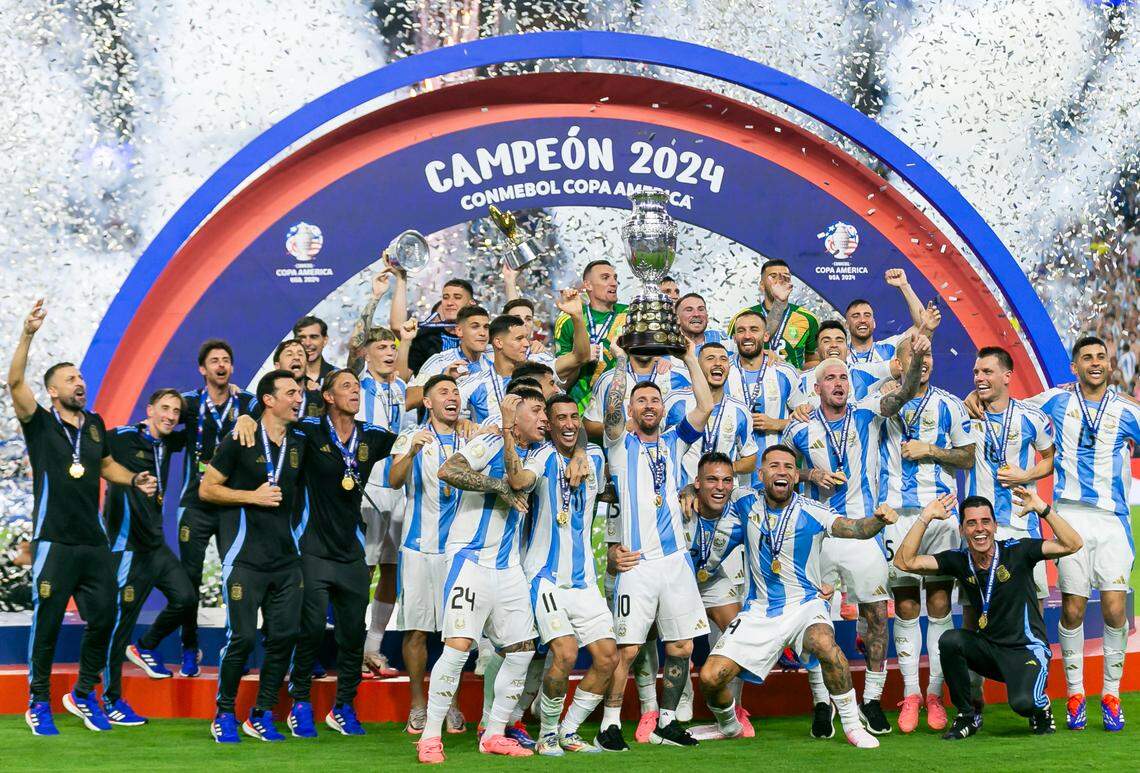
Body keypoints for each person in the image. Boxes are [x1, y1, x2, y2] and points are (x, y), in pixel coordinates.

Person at [10, 300, 158, 736]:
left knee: (107, 617)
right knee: (49, 621)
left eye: (81, 377)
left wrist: (134, 480)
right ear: (53, 391)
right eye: (71, 379)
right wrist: (28, 334)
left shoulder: (94, 424)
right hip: (54, 540)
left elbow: (105, 466)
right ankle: (38, 701)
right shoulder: (38, 423)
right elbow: (15, 380)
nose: (81, 382)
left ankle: (83, 692)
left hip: (93, 542)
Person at [697, 444, 892, 749]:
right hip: (758, 612)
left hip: (804, 606)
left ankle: (852, 726)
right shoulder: (744, 502)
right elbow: (711, 502)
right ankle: (729, 725)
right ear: (761, 474)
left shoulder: (813, 510)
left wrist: (879, 520)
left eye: (789, 466)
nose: (782, 471)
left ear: (796, 476)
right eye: (773, 465)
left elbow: (854, 528)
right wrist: (686, 492)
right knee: (710, 678)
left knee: (826, 645)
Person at [781, 343, 927, 736]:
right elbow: (781, 472)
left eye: (843, 376)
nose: (838, 383)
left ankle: (873, 700)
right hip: (821, 536)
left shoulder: (866, 413)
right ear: (816, 388)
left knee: (877, 615)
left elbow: (903, 393)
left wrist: (912, 366)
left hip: (865, 533)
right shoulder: (798, 427)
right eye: (829, 377)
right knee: (817, 622)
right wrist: (811, 476)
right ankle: (822, 704)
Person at [417, 388, 549, 763]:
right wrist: (495, 486)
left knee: (522, 650)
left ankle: (493, 733)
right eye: (536, 410)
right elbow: (449, 470)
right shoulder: (488, 441)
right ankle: (429, 738)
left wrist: (508, 435)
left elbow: (518, 480)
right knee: (458, 648)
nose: (544, 418)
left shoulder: (540, 454)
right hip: (470, 561)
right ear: (514, 412)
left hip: (508, 567)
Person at [598, 338, 713, 750]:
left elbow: (704, 406)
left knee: (681, 646)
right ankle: (610, 723)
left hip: (676, 562)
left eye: (655, 400)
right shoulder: (618, 445)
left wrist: (688, 357)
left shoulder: (674, 442)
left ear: (663, 409)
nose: (649, 406)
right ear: (631, 410)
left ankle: (666, 722)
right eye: (641, 401)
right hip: (638, 564)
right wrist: (618, 365)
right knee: (626, 651)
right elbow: (610, 415)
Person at [892, 491, 1083, 739]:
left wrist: (1042, 508)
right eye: (971, 523)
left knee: (1024, 704)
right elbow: (904, 561)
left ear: (994, 525)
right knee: (950, 640)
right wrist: (926, 516)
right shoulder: (960, 560)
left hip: (1025, 650)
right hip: (990, 651)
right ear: (962, 529)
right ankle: (967, 716)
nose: (979, 529)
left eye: (985, 522)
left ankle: (1040, 708)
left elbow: (1073, 543)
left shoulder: (1019, 550)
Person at [1021, 336, 1140, 731]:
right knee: (1072, 608)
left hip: (1112, 520)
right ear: (1074, 366)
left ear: (1110, 365)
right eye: (1086, 357)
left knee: (1115, 608)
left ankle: (1110, 693)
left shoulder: (1127, 410)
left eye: (1101, 357)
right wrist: (975, 400)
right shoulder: (1056, 400)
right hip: (1069, 516)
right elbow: (1014, 410)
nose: (1095, 362)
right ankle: (1075, 694)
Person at [502, 393, 615, 755]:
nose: (568, 423)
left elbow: (591, 443)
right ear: (548, 425)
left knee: (607, 657)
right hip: (545, 577)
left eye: (573, 417)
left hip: (584, 581)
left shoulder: (594, 456)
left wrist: (581, 450)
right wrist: (507, 428)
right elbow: (518, 481)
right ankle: (547, 732)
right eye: (560, 418)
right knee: (565, 654)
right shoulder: (542, 456)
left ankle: (569, 730)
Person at [286, 369, 396, 737]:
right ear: (329, 397)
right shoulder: (307, 431)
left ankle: (344, 706)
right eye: (346, 387)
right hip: (313, 548)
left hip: (351, 550)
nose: (355, 392)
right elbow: (273, 424)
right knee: (312, 628)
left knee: (353, 632)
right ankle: (299, 702)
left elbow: (408, 439)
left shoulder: (370, 435)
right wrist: (245, 418)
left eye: (356, 387)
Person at [200, 369, 306, 743]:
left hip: (286, 560)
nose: (298, 398)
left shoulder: (299, 441)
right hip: (244, 559)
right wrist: (251, 496)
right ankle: (224, 712)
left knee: (284, 637)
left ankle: (260, 714)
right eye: (291, 392)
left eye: (300, 392)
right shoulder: (239, 438)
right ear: (268, 399)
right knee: (242, 638)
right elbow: (207, 489)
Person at [881, 334, 976, 733]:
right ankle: (911, 694)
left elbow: (968, 455)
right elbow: (888, 402)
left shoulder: (950, 405)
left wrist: (931, 451)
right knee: (905, 607)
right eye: (915, 355)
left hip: (939, 516)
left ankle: (934, 694)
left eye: (929, 354)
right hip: (898, 516)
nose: (925, 360)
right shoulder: (883, 403)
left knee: (938, 603)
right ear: (898, 365)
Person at [147, 340, 258, 679]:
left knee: (233, 577)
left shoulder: (247, 402)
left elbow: (267, 414)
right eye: (214, 361)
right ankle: (189, 647)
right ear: (202, 369)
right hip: (194, 503)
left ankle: (231, 647)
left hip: (228, 502)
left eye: (226, 360)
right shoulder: (190, 403)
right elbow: (163, 417)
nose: (221, 365)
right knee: (190, 581)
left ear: (232, 368)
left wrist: (247, 415)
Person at [101, 389, 196, 727]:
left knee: (186, 598)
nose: (171, 415)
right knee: (119, 623)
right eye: (165, 409)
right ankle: (109, 698)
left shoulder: (167, 443)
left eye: (176, 411)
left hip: (155, 545)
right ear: (150, 410)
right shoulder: (124, 437)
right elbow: (93, 453)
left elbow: (201, 424)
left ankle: (146, 646)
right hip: (126, 546)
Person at [388, 374, 470, 735]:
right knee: (418, 631)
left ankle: (448, 702)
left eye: (455, 392)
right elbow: (393, 479)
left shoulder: (471, 435)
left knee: (456, 632)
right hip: (419, 548)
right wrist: (412, 451)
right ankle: (418, 704)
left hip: (459, 550)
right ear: (428, 402)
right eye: (443, 392)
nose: (452, 397)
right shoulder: (412, 436)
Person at [964, 347, 1055, 605]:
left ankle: (1035, 647)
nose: (979, 378)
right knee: (977, 606)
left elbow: (1050, 460)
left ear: (1007, 376)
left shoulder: (1032, 417)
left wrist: (1025, 474)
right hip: (980, 527)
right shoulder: (965, 415)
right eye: (976, 372)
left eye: (987, 372)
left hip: (1022, 525)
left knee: (1031, 602)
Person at [681, 452, 759, 736]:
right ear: (697, 483)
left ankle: (735, 710)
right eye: (711, 479)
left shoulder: (740, 513)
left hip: (711, 579)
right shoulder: (680, 507)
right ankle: (666, 704)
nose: (720, 486)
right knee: (664, 641)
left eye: (727, 481)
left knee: (737, 636)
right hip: (677, 583)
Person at [358, 328, 410, 678]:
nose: (389, 353)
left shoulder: (401, 388)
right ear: (366, 354)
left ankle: (372, 649)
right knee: (364, 568)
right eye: (381, 348)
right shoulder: (359, 386)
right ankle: (352, 650)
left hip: (399, 486)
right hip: (368, 487)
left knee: (392, 568)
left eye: (392, 348)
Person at [724, 310, 806, 483]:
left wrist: (778, 424)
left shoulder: (784, 372)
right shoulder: (723, 372)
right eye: (741, 331)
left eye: (754, 329)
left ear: (766, 336)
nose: (747, 336)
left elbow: (807, 419)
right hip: (734, 478)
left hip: (776, 476)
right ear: (734, 338)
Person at [666, 342, 757, 485]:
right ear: (698, 365)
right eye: (710, 358)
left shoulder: (740, 410)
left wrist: (720, 469)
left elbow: (750, 460)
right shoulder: (675, 402)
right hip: (683, 495)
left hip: (722, 498)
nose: (718, 363)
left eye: (723, 359)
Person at [554, 259, 627, 411]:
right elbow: (562, 380)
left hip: (621, 406)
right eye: (605, 278)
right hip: (578, 411)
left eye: (615, 278)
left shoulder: (629, 315)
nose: (614, 283)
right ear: (587, 285)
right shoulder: (568, 319)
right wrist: (580, 357)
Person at [583, 342, 691, 442]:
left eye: (646, 336)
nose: (642, 343)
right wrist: (622, 429)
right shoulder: (609, 379)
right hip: (621, 457)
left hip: (667, 456)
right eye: (637, 336)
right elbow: (588, 426)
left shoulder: (680, 376)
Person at [729, 259, 819, 369]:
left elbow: (813, 359)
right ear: (762, 285)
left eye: (785, 276)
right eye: (773, 276)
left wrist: (797, 377)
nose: (780, 280)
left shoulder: (808, 318)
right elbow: (732, 355)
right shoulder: (742, 319)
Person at [391, 270, 477, 374]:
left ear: (471, 303)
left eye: (457, 297)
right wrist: (401, 280)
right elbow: (398, 327)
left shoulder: (484, 335)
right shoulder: (425, 338)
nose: (449, 303)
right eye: (445, 298)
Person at [406, 305, 492, 408]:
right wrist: (443, 379)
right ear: (459, 331)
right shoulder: (439, 362)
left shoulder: (495, 356)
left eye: (486, 327)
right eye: (475, 326)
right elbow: (408, 401)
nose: (483, 333)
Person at [506, 291, 592, 387]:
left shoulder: (541, 360)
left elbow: (579, 358)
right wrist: (509, 280)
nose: (523, 322)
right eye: (516, 318)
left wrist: (577, 317)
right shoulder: (489, 353)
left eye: (528, 319)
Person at [459, 314, 530, 425]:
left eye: (526, 338)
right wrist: (462, 423)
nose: (526, 344)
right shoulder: (473, 384)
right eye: (519, 339)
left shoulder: (535, 378)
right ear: (499, 342)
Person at [844, 268, 927, 363]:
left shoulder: (890, 348)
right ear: (847, 324)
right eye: (856, 316)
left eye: (867, 315)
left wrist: (904, 286)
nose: (862, 320)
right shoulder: (841, 356)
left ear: (874, 323)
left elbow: (921, 325)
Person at [293, 315, 339, 387]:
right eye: (302, 338)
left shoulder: (339, 376)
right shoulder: (283, 379)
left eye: (313, 337)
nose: (307, 343)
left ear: (325, 340)